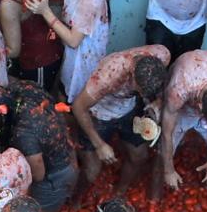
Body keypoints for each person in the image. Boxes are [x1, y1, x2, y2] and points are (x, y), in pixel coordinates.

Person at [72, 45, 170, 190]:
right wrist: (100, 145)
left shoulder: (162, 54)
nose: (142, 93)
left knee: (139, 156)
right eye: (141, 90)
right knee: (92, 170)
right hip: (99, 113)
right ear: (132, 75)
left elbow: (161, 85)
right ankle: (75, 201)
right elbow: (78, 107)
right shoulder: (110, 74)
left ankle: (120, 192)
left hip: (128, 108)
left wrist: (156, 103)